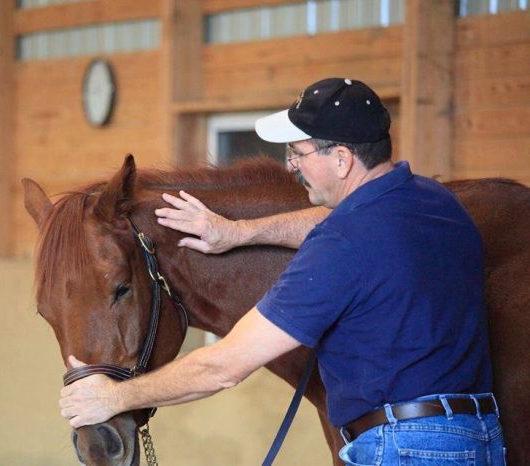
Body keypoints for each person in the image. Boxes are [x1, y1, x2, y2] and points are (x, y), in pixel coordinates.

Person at [59, 78, 505, 464]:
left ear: (343, 160)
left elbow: (224, 366)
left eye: (299, 152)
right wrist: (238, 233)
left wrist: (113, 397)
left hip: (402, 448)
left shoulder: (343, 245)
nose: (291, 165)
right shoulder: (433, 201)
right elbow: (338, 221)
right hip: (479, 439)